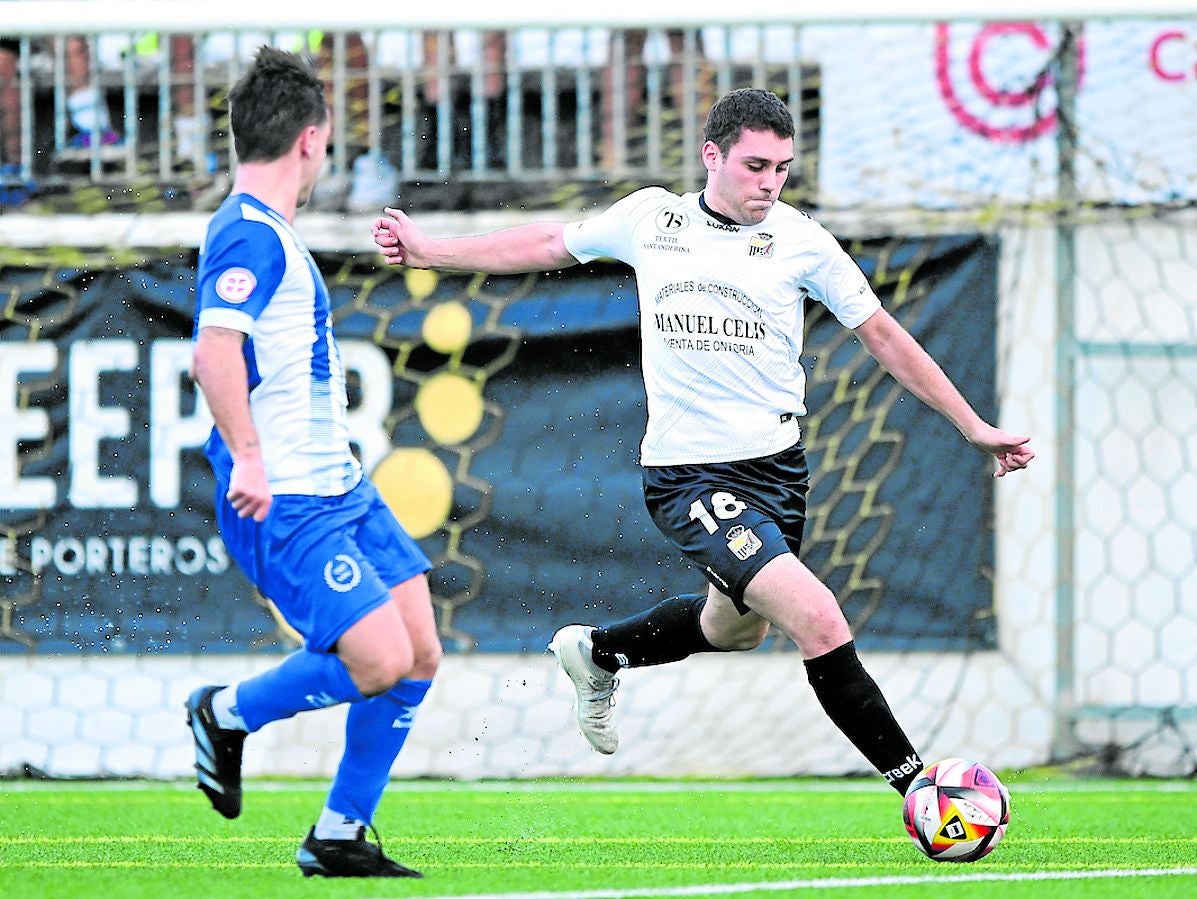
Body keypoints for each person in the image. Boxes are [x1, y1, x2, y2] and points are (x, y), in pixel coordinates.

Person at [371, 88, 1034, 798]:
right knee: (816, 616)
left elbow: (882, 336)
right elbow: (544, 243)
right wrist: (428, 248)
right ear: (711, 155)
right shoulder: (650, 218)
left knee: (733, 628)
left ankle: (598, 652)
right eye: (755, 165)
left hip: (777, 474)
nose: (769, 183)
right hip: (689, 477)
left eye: (782, 168)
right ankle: (920, 786)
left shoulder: (802, 240)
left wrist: (973, 424)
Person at [187, 46, 441, 878]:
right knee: (379, 660)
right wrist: (250, 459)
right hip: (288, 497)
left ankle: (339, 832)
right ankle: (225, 713)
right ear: (311, 140)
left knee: (419, 649)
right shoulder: (248, 233)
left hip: (341, 485)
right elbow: (213, 350)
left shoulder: (268, 232)